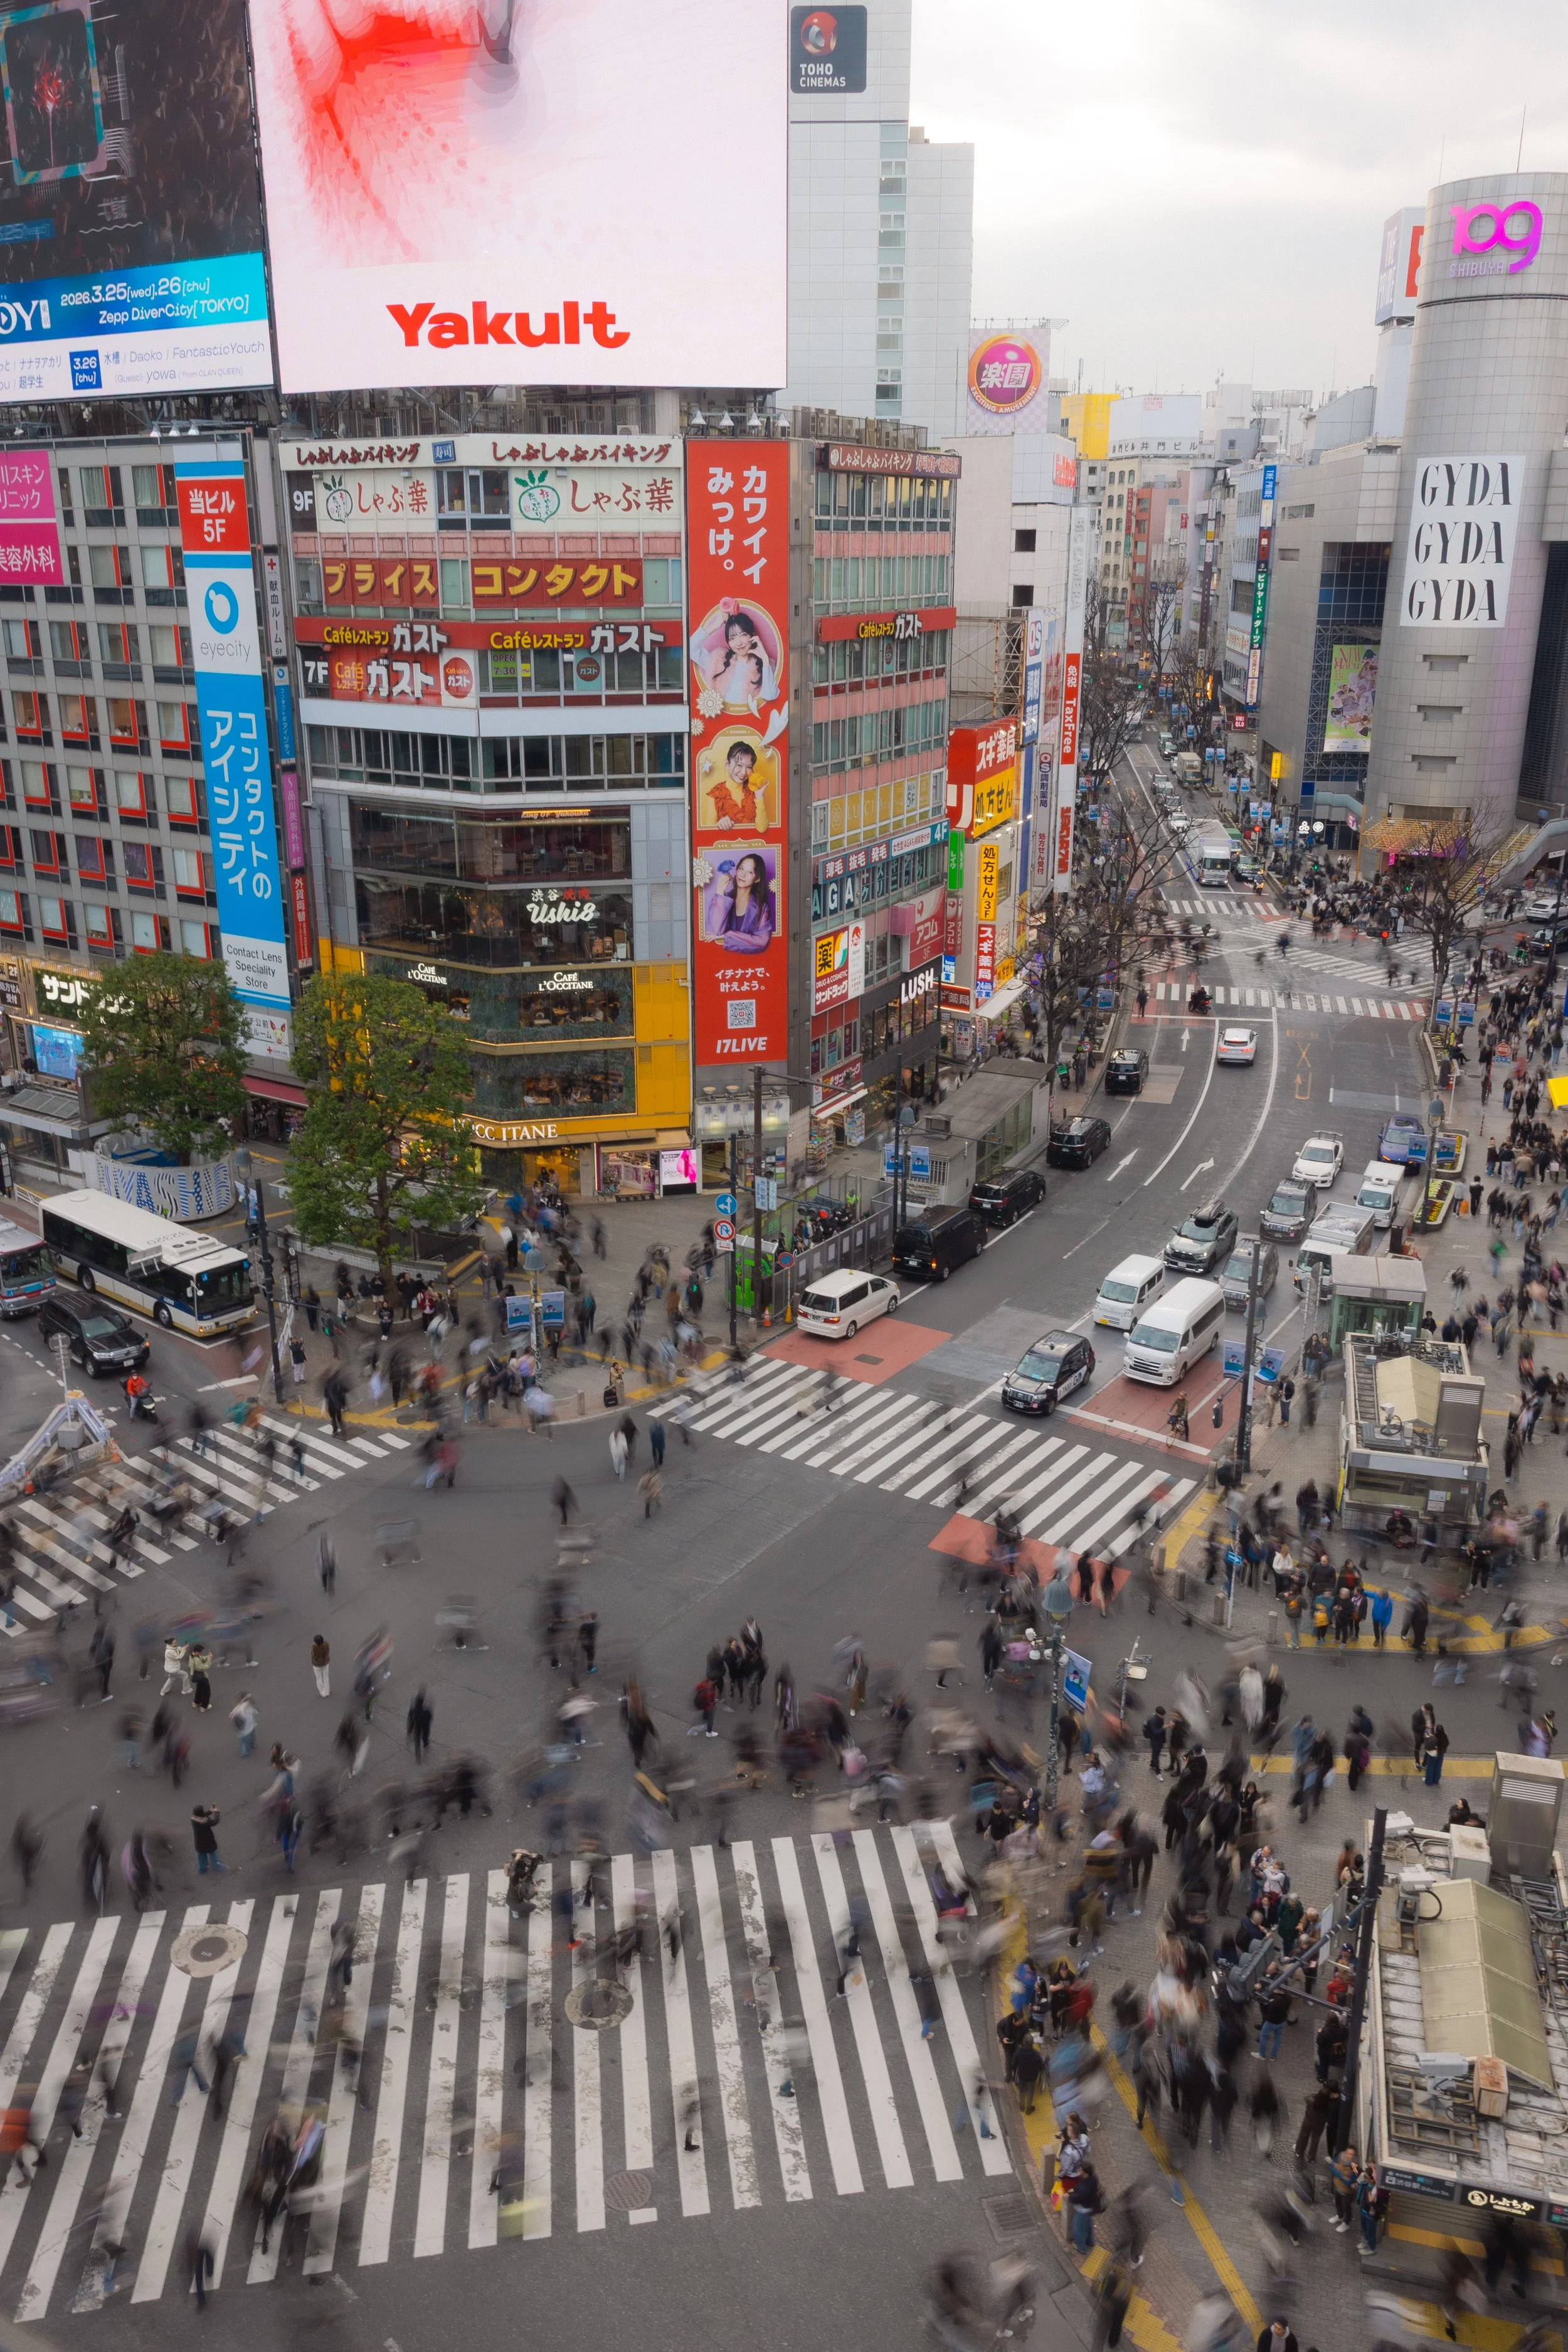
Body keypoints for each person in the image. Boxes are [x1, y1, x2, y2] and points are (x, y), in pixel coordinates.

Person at [190, 1803, 226, 1875]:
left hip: (199, 1842)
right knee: (213, 1854)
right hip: (208, 1842)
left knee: (202, 1855)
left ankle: (203, 1870)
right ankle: (217, 1867)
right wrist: (216, 1812)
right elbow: (215, 1822)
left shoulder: (193, 1818)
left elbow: (202, 1816)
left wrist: (210, 1811)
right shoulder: (205, 1822)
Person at [310, 1634, 331, 1699]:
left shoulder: (314, 1647)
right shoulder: (326, 1645)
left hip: (317, 1665)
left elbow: (312, 1655)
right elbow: (327, 1652)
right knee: (326, 1677)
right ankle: (328, 1691)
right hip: (325, 1663)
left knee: (319, 1678)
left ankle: (323, 1693)